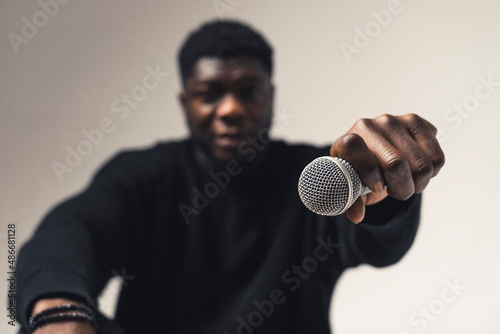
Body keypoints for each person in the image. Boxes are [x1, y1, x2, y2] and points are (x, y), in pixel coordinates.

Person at [16, 20, 444, 334]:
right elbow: (72, 230)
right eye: (210, 94)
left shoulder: (322, 175)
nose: (231, 109)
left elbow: (380, 241)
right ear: (185, 103)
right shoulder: (144, 176)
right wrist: (59, 309)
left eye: (249, 91)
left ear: (271, 97)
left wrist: (386, 182)